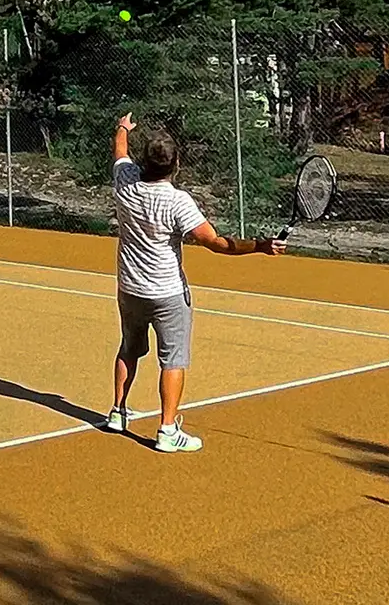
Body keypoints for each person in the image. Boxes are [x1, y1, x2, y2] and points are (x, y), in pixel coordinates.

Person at [105, 113, 283, 453]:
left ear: (143, 162)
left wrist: (123, 128)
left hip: (129, 288)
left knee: (129, 347)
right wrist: (260, 245)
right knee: (173, 360)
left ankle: (118, 412)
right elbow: (215, 242)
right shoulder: (177, 201)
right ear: (177, 164)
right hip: (167, 292)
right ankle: (167, 430)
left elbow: (119, 149)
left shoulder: (124, 181)